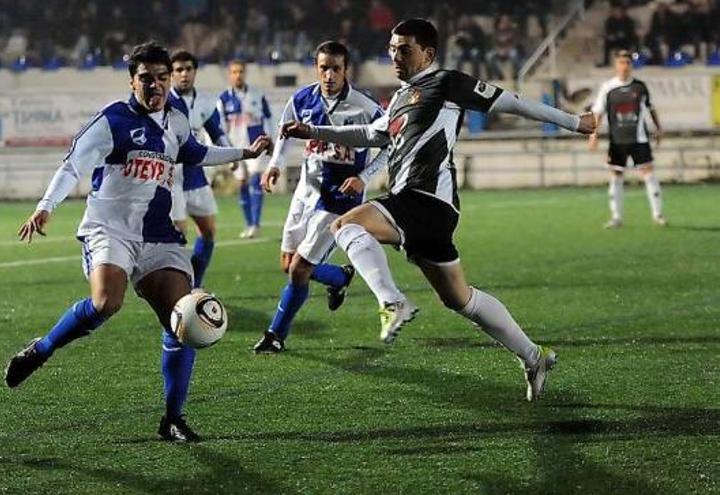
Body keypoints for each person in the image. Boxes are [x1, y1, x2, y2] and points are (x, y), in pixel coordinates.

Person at [280, 19, 596, 402]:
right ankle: (534, 356)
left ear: (428, 54)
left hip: (424, 199)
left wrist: (575, 122)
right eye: (392, 49)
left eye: (405, 49)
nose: (396, 56)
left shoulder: (446, 82)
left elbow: (511, 102)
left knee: (346, 225)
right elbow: (370, 135)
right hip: (427, 210)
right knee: (460, 299)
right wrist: (313, 131)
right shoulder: (399, 98)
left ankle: (391, 301)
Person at [4, 42, 271, 442]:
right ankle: (42, 349)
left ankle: (173, 419)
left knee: (182, 320)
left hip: (158, 234)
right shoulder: (111, 121)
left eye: (162, 78)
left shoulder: (176, 121)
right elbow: (72, 164)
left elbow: (195, 152)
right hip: (110, 228)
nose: (156, 86)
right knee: (106, 303)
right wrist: (46, 206)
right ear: (132, 81)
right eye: (146, 78)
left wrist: (244, 152)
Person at [252, 40, 387, 353]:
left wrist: (363, 177)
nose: (329, 75)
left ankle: (275, 335)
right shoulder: (302, 98)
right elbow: (284, 134)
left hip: (338, 201)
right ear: (316, 68)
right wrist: (273, 165)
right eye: (323, 68)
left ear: (346, 70)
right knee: (288, 263)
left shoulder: (365, 108)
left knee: (299, 269)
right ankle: (339, 278)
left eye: (335, 69)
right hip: (305, 193)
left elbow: (390, 147)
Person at [167, 50, 232, 289]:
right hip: (170, 179)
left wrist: (231, 153)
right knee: (178, 236)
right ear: (172, 74)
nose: (184, 74)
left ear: (195, 72)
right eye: (178, 70)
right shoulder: (163, 102)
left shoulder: (206, 102)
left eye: (188, 69)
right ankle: (178, 287)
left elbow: (217, 132)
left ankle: (196, 283)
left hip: (196, 176)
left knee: (208, 231)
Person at [589, 50, 665, 228]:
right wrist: (594, 134)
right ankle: (616, 217)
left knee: (649, 173)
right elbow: (598, 112)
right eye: (621, 62)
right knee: (615, 176)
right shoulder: (608, 87)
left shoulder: (640, 87)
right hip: (617, 140)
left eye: (627, 63)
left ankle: (658, 214)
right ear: (616, 65)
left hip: (639, 139)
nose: (624, 66)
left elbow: (651, 108)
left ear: (631, 66)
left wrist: (658, 128)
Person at [217, 60, 274, 239]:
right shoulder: (223, 99)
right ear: (229, 74)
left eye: (241, 71)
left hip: (256, 144)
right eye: (234, 72)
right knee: (242, 184)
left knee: (256, 178)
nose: (238, 75)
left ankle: (256, 224)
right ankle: (249, 223)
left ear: (245, 73)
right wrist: (224, 151)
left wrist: (270, 140)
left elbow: (269, 118)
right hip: (236, 147)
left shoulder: (257, 95)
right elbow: (220, 127)